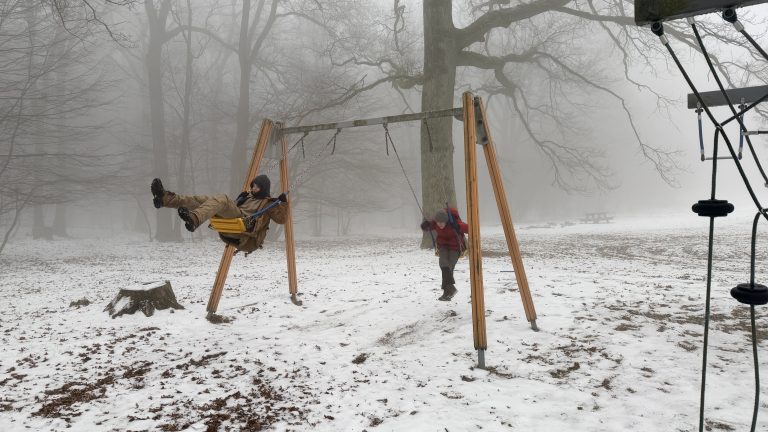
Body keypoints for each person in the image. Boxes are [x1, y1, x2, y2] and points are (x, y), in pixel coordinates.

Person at [150, 175, 288, 253]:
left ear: (264, 188)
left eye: (257, 187)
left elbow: (282, 219)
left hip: (245, 229)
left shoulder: (268, 203)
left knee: (223, 198)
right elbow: (228, 208)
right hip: (233, 223)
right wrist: (241, 199)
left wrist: (283, 203)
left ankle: (193, 219)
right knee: (204, 200)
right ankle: (164, 199)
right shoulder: (248, 197)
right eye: (253, 185)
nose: (253, 188)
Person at [420, 207, 468, 301]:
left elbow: (468, 228)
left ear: (446, 221)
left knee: (449, 266)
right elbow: (428, 227)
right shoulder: (436, 223)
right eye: (438, 223)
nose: (440, 225)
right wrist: (425, 225)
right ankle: (450, 291)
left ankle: (448, 292)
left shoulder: (454, 223)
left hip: (455, 247)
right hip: (443, 246)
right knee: (443, 264)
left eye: (442, 223)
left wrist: (458, 226)